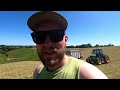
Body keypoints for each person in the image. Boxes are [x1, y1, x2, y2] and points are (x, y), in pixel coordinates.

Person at [27, 11, 108, 79]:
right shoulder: (38, 72)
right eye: (39, 36)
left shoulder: (84, 72)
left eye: (56, 35)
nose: (48, 44)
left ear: (66, 40)